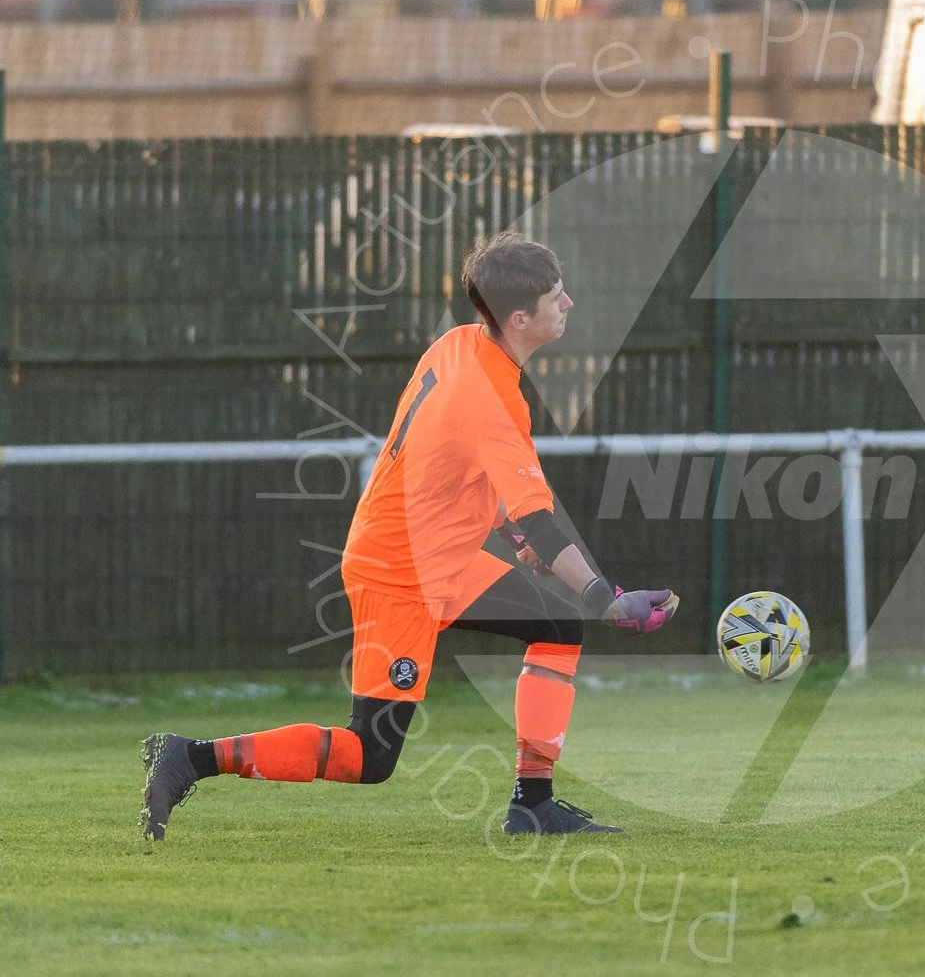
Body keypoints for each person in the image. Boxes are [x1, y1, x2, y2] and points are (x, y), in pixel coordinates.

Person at [140, 231, 678, 840]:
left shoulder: (459, 344)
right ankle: (191, 756)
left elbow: (455, 467)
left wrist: (508, 527)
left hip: (442, 560)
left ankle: (533, 805)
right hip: (398, 574)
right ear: (521, 317)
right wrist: (606, 597)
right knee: (367, 759)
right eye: (558, 297)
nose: (570, 304)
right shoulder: (494, 401)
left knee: (557, 626)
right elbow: (540, 520)